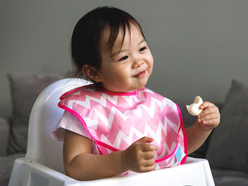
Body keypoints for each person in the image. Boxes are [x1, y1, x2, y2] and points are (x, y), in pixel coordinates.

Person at [52, 6, 220, 181]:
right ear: (93, 72)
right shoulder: (84, 109)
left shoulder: (154, 104)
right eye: (124, 57)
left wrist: (203, 128)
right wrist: (123, 160)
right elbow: (74, 166)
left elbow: (179, 149)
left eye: (142, 49)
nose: (139, 61)